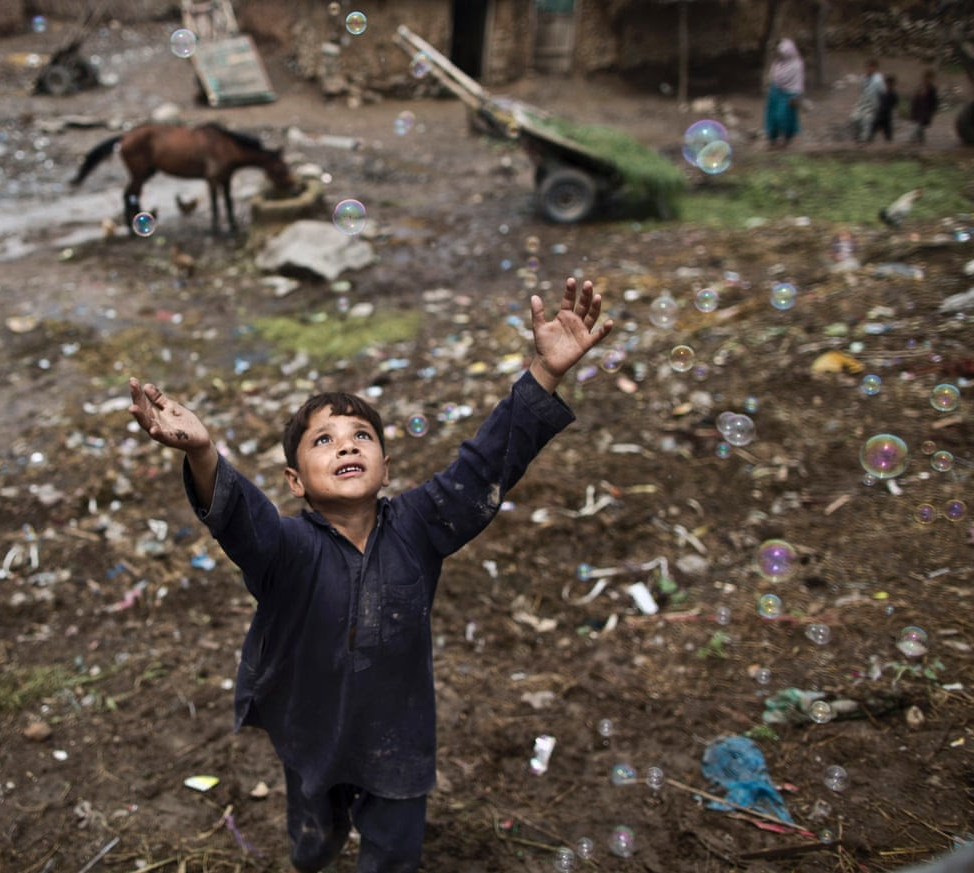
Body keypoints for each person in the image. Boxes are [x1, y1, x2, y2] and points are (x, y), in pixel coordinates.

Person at [128, 277, 613, 873]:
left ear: (385, 467)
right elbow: (240, 518)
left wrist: (544, 374)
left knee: (393, 855)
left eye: (362, 435)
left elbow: (485, 464)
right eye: (323, 440)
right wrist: (203, 452)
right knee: (313, 842)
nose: (346, 445)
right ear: (295, 481)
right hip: (310, 731)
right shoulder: (285, 547)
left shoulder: (420, 525)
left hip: (398, 738)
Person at [764, 38, 805, 147]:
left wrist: (796, 96)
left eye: (783, 53)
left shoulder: (797, 65)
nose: (781, 55)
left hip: (789, 95)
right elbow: (772, 77)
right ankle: (772, 139)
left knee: (784, 117)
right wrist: (770, 88)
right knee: (772, 117)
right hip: (775, 92)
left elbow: (798, 82)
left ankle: (787, 139)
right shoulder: (777, 63)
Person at [851, 58, 886, 143]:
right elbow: (862, 90)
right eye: (867, 67)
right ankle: (858, 136)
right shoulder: (863, 78)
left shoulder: (878, 80)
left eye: (871, 67)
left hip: (873, 104)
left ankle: (865, 139)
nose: (868, 69)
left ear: (875, 68)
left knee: (867, 120)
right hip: (863, 102)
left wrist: (880, 108)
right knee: (854, 118)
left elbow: (882, 93)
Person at [909, 69, 940, 144]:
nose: (929, 79)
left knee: (921, 124)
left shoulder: (932, 88)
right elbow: (915, 98)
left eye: (931, 78)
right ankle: (913, 137)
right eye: (928, 77)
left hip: (926, 109)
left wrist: (934, 109)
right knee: (920, 124)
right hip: (919, 108)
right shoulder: (921, 87)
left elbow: (934, 99)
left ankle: (921, 139)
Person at [868, 74, 899, 143]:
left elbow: (893, 106)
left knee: (888, 137)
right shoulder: (882, 93)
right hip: (880, 115)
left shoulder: (893, 95)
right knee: (871, 134)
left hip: (886, 117)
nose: (889, 85)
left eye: (891, 84)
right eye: (888, 83)